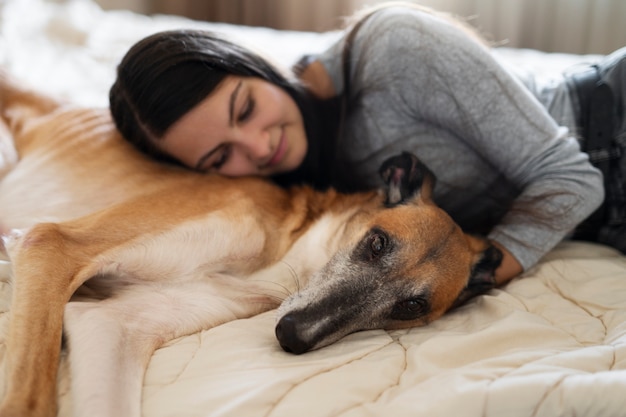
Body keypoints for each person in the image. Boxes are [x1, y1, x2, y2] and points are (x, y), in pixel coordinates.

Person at [109, 3, 625, 287]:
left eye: (244, 108)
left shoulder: (393, 47)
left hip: (609, 124)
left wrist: (469, 279)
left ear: (252, 66)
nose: (258, 146)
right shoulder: (300, 183)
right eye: (221, 157)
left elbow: (572, 180)